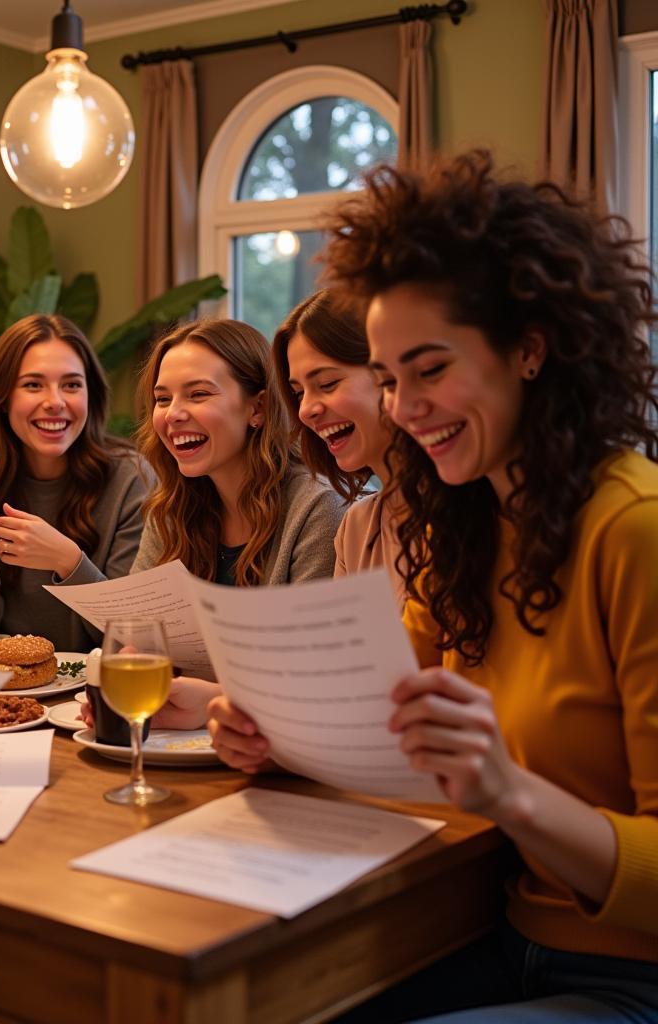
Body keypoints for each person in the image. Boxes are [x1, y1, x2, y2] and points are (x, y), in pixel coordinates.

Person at [209, 151, 658, 1022]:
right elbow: (379, 720)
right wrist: (282, 731)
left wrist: (507, 792)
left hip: (627, 978)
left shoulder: (631, 530)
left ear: (531, 349)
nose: (406, 407)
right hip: (484, 931)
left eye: (431, 368)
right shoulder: (466, 522)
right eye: (387, 378)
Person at [126, 317, 345, 728]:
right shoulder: (171, 508)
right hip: (183, 743)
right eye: (161, 399)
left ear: (257, 408)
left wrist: (214, 699)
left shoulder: (318, 508)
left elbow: (314, 679)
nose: (173, 415)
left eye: (198, 394)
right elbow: (137, 637)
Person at [0, 314, 149, 652]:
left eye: (71, 385)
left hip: (93, 690)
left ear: (90, 396)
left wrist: (68, 561)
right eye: (33, 385)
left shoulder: (130, 476)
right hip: (0, 690)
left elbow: (127, 638)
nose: (55, 402)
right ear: (3, 397)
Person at [271, 290, 407, 607]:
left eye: (328, 384)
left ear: (390, 376)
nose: (305, 410)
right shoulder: (357, 528)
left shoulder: (468, 513)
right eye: (298, 393)